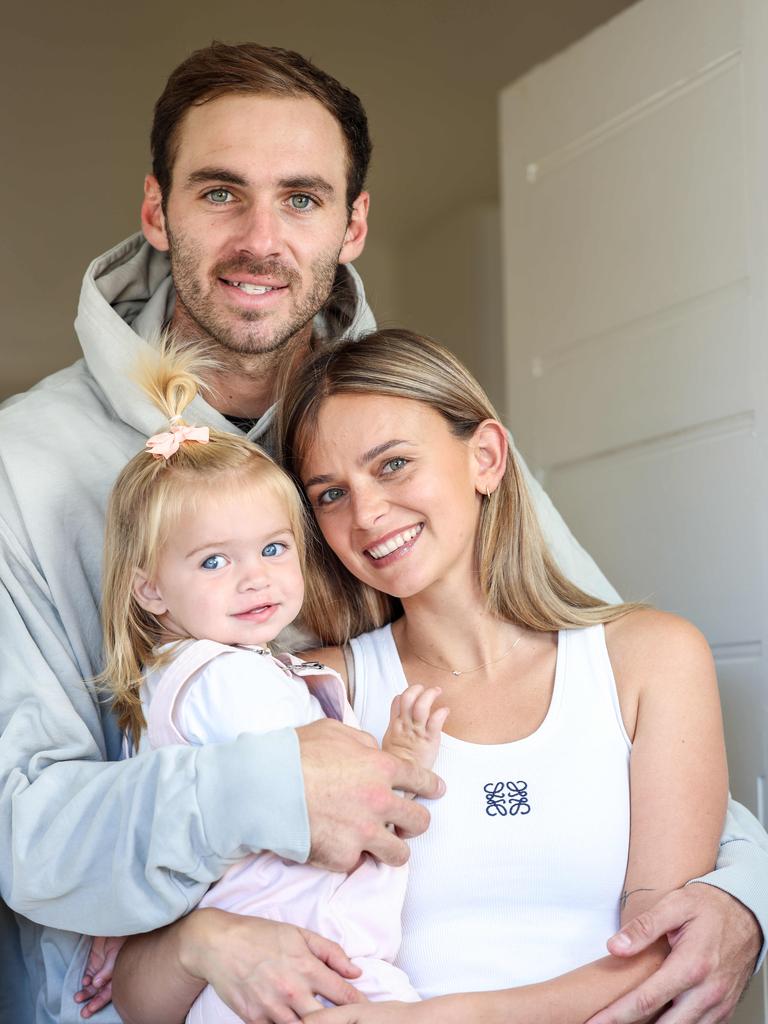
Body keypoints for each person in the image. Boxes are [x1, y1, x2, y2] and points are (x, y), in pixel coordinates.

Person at [0, 39, 763, 1024]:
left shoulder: (421, 423)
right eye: (221, 192)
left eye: (304, 198)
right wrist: (244, 834)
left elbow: (589, 677)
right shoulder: (24, 465)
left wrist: (743, 883)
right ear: (158, 208)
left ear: (354, 223)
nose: (261, 240)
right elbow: (21, 827)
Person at [89, 342, 451, 1021]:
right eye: (214, 560)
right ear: (151, 589)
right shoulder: (228, 681)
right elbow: (329, 796)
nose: (255, 576)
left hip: (267, 975)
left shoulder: (199, 676)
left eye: (274, 548)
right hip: (297, 971)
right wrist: (398, 758)